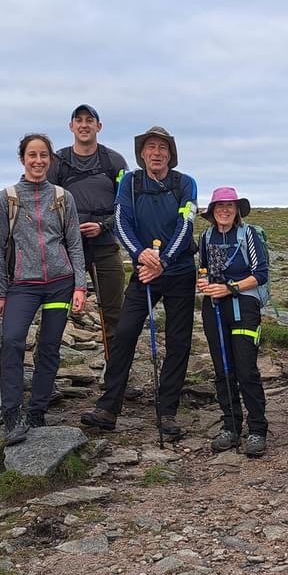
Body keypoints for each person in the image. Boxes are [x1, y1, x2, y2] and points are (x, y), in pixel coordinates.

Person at [81, 126, 198, 441]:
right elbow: (122, 222)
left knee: (178, 341)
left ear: (170, 154)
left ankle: (167, 411)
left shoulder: (186, 183)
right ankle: (108, 407)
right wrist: (141, 254)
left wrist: (163, 262)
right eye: (151, 147)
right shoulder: (129, 183)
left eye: (162, 148)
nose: (156, 153)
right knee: (124, 333)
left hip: (179, 271)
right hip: (144, 271)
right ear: (142, 153)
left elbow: (186, 225)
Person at [0, 133, 87, 445]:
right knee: (12, 341)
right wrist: (2, 291)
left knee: (49, 347)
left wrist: (80, 286)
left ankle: (37, 411)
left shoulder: (62, 197)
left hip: (60, 283)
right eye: (32, 155)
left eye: (43, 155)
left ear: (50, 159)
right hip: (22, 285)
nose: (38, 161)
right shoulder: (7, 198)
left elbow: (74, 243)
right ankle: (11, 415)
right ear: (22, 159)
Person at [47, 104, 129, 357]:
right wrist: (68, 230)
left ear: (98, 126)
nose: (84, 125)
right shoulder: (57, 161)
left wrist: (103, 226)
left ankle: (115, 371)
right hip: (66, 250)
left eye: (89, 120)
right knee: (55, 310)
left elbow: (126, 205)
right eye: (79, 120)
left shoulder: (114, 161)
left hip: (105, 246)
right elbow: (46, 203)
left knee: (114, 312)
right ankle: (46, 372)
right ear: (71, 126)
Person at [197, 187, 270, 458]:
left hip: (244, 306)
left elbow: (260, 273)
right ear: (212, 211)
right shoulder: (206, 237)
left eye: (230, 206)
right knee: (223, 368)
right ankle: (230, 425)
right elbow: (204, 269)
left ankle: (257, 428)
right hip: (214, 307)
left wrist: (230, 288)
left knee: (246, 368)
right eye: (220, 206)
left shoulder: (248, 235)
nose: (225, 210)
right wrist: (204, 283)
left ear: (237, 210)